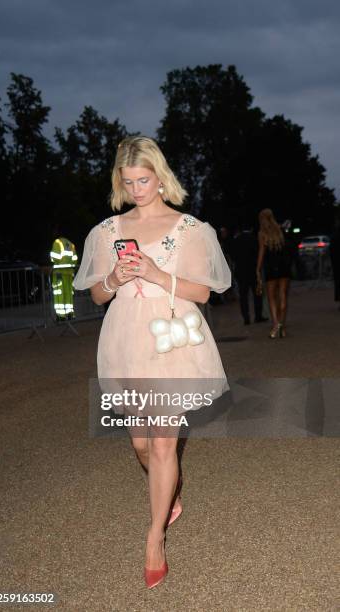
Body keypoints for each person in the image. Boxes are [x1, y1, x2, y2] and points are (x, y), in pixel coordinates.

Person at [72, 136, 231, 588]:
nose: (137, 189)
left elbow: (203, 292)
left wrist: (157, 273)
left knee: (163, 444)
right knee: (141, 445)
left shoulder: (191, 229)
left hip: (172, 339)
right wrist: (115, 276)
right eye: (128, 182)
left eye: (144, 180)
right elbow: (99, 294)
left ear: (160, 176)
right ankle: (170, 488)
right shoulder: (107, 231)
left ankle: (154, 536)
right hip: (126, 339)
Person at [256, 208, 292, 338]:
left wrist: (257, 269)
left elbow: (261, 252)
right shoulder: (280, 230)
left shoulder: (262, 233)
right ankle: (281, 326)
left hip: (271, 267)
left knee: (271, 298)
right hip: (284, 267)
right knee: (283, 296)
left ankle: (276, 325)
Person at [230, 223, 268, 325]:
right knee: (257, 294)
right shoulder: (254, 239)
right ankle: (258, 316)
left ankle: (246, 318)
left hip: (241, 271)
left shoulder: (236, 241)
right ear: (251, 229)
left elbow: (232, 256)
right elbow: (259, 253)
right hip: (253, 270)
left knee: (243, 296)